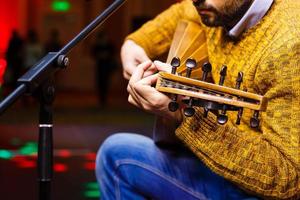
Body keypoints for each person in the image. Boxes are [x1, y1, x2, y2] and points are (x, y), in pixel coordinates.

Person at [96, 0, 300, 199]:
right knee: (115, 154)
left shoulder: (288, 46)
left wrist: (183, 114)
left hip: (258, 189)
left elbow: (290, 180)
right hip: (219, 167)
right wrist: (135, 43)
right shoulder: (214, 8)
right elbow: (182, 11)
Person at [91, 31, 117, 107]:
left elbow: (113, 53)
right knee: (100, 83)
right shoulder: (97, 45)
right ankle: (101, 100)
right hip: (100, 67)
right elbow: (93, 54)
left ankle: (104, 100)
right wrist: (100, 56)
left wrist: (106, 55)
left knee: (106, 83)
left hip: (107, 67)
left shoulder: (109, 45)